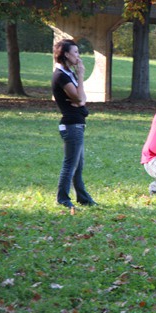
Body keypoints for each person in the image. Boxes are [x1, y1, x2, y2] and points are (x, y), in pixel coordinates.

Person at [52, 39, 97, 212]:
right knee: (70, 164)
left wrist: (80, 99)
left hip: (77, 125)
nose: (78, 56)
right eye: (76, 52)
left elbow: (82, 99)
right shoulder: (61, 75)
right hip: (71, 126)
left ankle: (83, 198)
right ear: (66, 54)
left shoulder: (67, 73)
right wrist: (80, 75)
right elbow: (79, 99)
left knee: (78, 165)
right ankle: (62, 199)